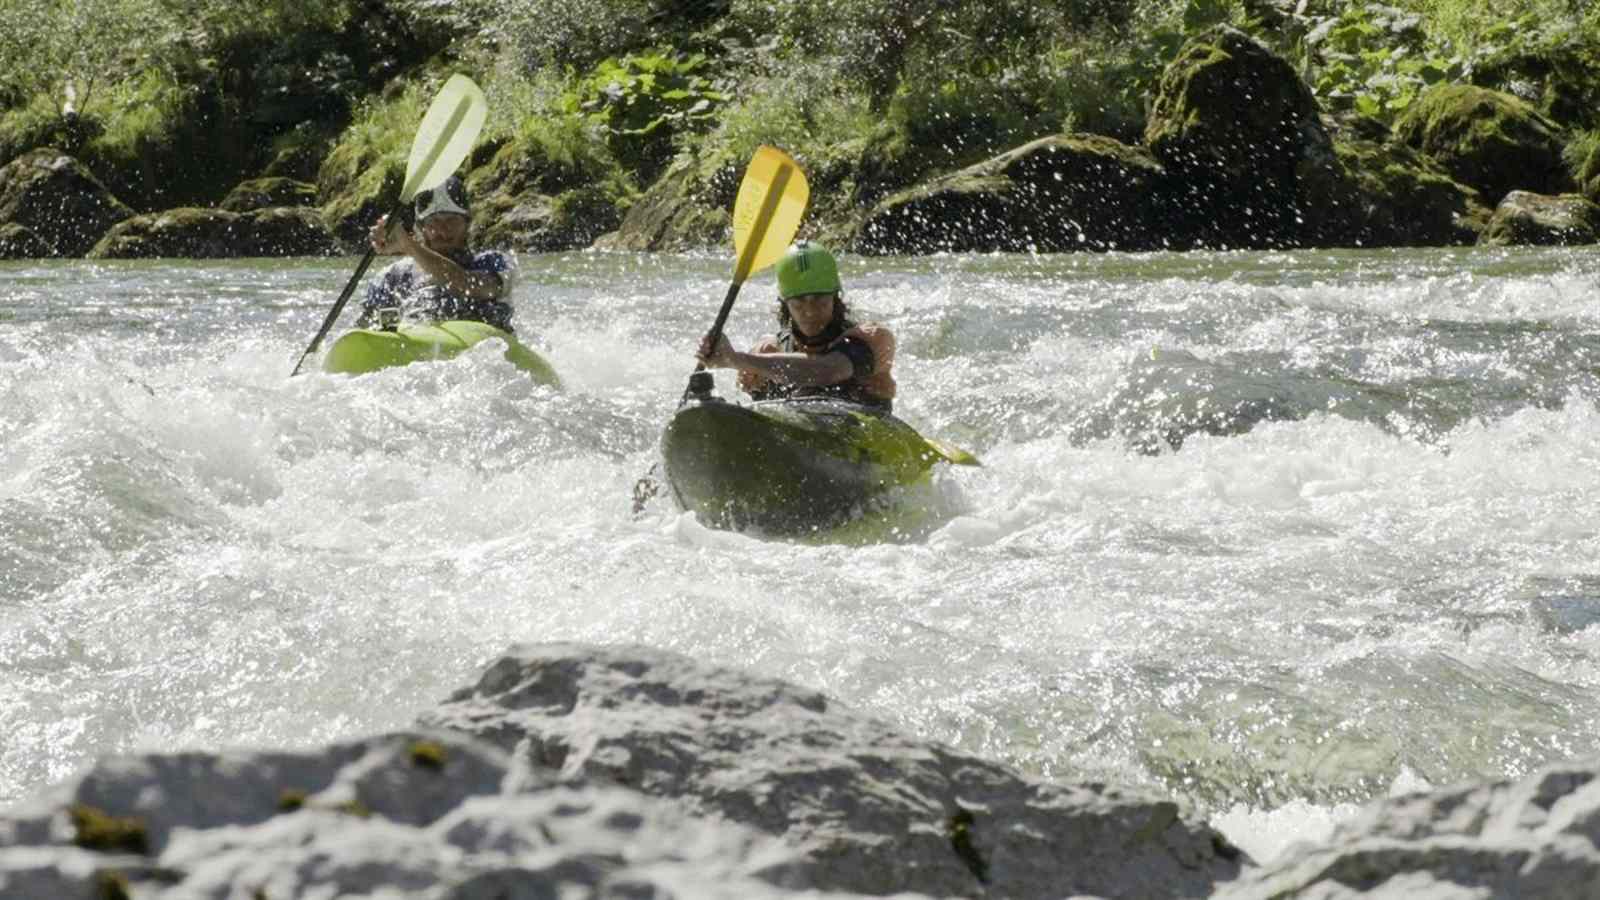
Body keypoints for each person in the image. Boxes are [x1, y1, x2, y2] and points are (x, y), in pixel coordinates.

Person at [696, 241, 897, 411]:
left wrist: (735, 359)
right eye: (799, 301)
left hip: (865, 437)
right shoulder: (767, 351)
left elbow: (826, 371)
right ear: (785, 305)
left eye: (819, 299)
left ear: (836, 299)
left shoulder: (872, 339)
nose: (810, 311)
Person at [355, 175, 518, 332]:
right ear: (421, 228)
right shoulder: (393, 277)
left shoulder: (494, 262)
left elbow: (465, 284)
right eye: (434, 221)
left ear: (467, 224)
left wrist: (408, 245)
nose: (443, 230)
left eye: (452, 220)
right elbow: (363, 329)